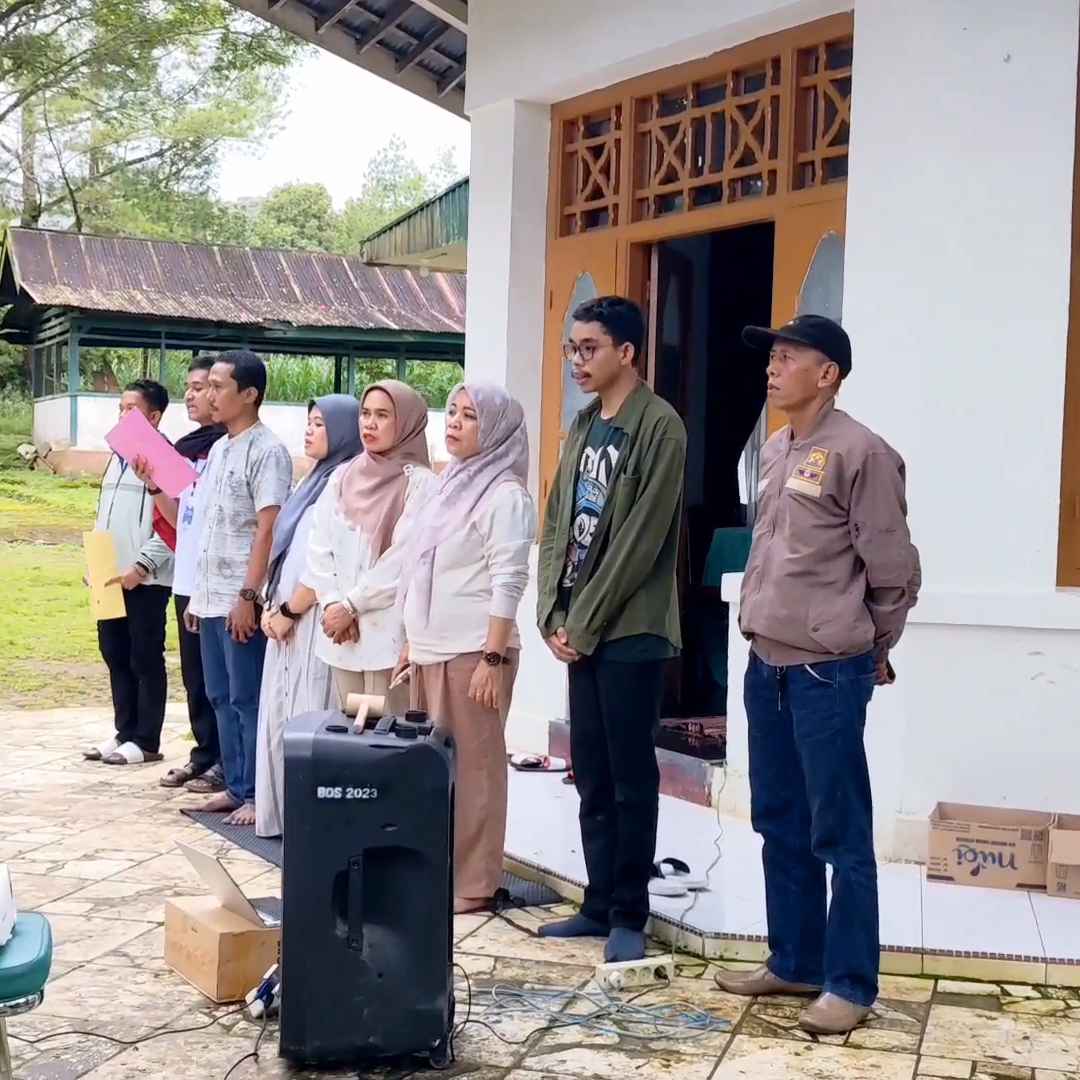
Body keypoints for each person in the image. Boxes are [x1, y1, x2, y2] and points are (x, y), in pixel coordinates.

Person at [713, 315, 920, 1035]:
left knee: (840, 831)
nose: (773, 368)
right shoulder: (776, 447)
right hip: (766, 662)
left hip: (827, 672)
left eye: (788, 357)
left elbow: (894, 572)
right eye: (771, 357)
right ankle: (795, 961)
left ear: (827, 373)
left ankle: (850, 984)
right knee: (780, 821)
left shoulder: (864, 453)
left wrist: (872, 646)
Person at [536, 295, 687, 964]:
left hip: (630, 631)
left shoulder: (660, 427)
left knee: (630, 777)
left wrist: (585, 621)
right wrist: (551, 613)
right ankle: (597, 904)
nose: (577, 360)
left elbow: (639, 542)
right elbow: (556, 525)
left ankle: (630, 912)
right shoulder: (582, 425)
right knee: (591, 774)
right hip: (578, 629)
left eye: (590, 347)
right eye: (572, 348)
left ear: (627, 352)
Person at [396, 383, 536, 915]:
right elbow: (420, 566)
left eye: (470, 416)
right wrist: (410, 641)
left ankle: (475, 883)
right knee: (432, 770)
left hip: (475, 653)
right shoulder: (450, 484)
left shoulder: (505, 496)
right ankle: (438, 871)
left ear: (496, 430)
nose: (453, 421)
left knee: (476, 771)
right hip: (431, 650)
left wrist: (492, 659)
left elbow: (508, 580)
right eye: (452, 411)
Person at [187, 350, 293, 828]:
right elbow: (209, 525)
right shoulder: (220, 449)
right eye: (207, 386)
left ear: (249, 394)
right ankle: (233, 786)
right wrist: (197, 593)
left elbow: (267, 530)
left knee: (246, 698)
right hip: (210, 596)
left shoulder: (267, 451)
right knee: (218, 694)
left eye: (218, 386)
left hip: (240, 597)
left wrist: (248, 597)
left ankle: (254, 793)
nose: (209, 395)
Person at [253, 395, 363, 838]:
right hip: (285, 618)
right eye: (309, 422)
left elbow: (324, 565)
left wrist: (288, 610)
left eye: (320, 424)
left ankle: (307, 828)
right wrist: (270, 604)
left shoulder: (345, 483)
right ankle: (283, 819)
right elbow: (286, 552)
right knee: (281, 718)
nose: (310, 430)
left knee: (306, 716)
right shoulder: (312, 480)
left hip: (312, 620)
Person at [305, 381, 437, 714]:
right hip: (343, 635)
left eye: (382, 415)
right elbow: (319, 544)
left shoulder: (420, 483)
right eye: (365, 414)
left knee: (384, 730)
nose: (370, 424)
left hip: (387, 635)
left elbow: (405, 559)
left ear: (406, 422)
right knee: (350, 730)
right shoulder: (342, 476)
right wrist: (333, 604)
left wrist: (351, 605)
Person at [134, 356, 227, 793]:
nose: (191, 395)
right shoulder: (186, 449)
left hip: (221, 583)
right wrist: (154, 484)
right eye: (189, 387)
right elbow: (180, 521)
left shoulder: (230, 448)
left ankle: (227, 762)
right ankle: (204, 754)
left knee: (221, 681)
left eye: (201, 387)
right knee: (195, 677)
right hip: (188, 578)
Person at [84, 380, 175, 766]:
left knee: (144, 656)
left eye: (131, 409)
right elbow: (104, 516)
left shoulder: (165, 459)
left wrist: (142, 566)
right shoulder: (116, 457)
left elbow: (175, 526)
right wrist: (95, 564)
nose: (122, 416)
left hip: (146, 579)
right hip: (108, 575)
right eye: (120, 408)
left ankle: (146, 741)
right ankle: (124, 732)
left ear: (153, 417)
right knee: (114, 652)